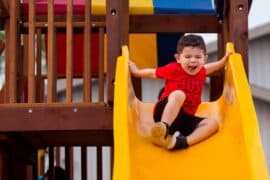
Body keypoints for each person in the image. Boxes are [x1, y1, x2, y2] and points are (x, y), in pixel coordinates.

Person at [129, 34, 232, 150]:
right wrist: (136, 72)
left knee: (213, 124)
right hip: (163, 112)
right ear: (178, 58)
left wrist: (223, 61)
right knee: (179, 94)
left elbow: (212, 67)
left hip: (183, 120)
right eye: (187, 57)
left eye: (198, 57)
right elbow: (153, 73)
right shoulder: (174, 69)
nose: (193, 61)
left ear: (204, 59)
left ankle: (182, 142)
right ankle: (162, 128)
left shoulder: (202, 72)